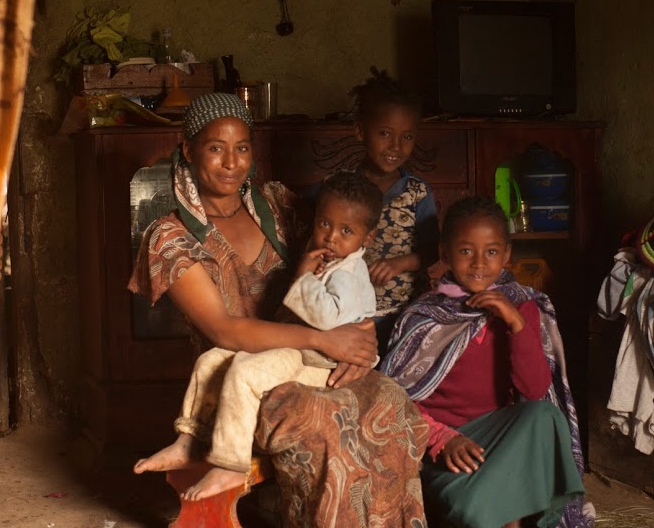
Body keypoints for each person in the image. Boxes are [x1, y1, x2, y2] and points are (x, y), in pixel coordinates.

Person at [128, 93, 429, 526]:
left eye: (242, 148)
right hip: (239, 383)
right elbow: (226, 332)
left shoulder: (277, 205)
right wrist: (325, 339)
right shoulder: (170, 238)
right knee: (323, 421)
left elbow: (344, 250)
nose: (231, 162)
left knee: (390, 400)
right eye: (216, 148)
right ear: (189, 151)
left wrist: (359, 346)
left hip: (310, 357)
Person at [174, 171, 382, 500]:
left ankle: (231, 464)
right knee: (213, 359)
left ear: (366, 239)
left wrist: (302, 276)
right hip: (304, 348)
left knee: (246, 370)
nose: (331, 237)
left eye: (346, 231)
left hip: (323, 364)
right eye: (325, 224)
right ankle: (187, 440)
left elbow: (326, 319)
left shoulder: (350, 273)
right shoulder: (330, 260)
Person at [380, 196, 587, 528]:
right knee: (475, 508)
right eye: (465, 251)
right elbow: (394, 398)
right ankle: (496, 510)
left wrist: (514, 323)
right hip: (441, 448)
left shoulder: (523, 306)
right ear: (445, 254)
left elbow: (534, 390)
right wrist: (442, 439)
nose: (479, 263)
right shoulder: (422, 316)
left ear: (506, 255)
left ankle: (501, 513)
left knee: (544, 414)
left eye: (491, 252)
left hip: (500, 440)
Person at [349, 67, 440, 355]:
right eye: (385, 133)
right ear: (361, 131)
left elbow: (433, 250)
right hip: (350, 316)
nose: (396, 147)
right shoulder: (339, 190)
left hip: (407, 314)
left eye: (407, 137)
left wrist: (400, 263)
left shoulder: (416, 192)